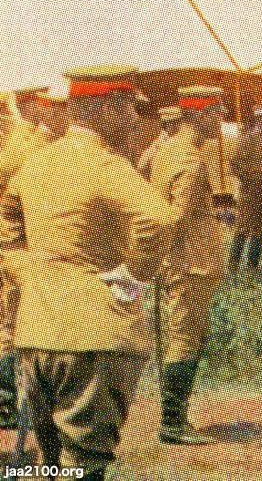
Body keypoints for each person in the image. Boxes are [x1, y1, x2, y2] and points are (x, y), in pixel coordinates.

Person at [0, 66, 177, 480]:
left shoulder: (37, 163)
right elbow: (160, 220)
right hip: (94, 336)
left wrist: (28, 273)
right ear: (107, 107)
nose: (136, 118)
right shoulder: (105, 164)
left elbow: (6, 224)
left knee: (49, 463)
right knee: (84, 465)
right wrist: (134, 278)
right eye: (131, 107)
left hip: (35, 334)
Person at [149, 85, 228, 444]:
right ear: (198, 115)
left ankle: (175, 417)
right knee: (185, 338)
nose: (221, 118)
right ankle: (172, 422)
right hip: (189, 262)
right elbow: (175, 217)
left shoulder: (168, 151)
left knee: (180, 335)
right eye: (215, 111)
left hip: (179, 261)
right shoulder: (190, 160)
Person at [0, 86, 66, 429]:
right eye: (46, 106)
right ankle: (9, 401)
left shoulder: (20, 141)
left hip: (14, 242)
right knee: (14, 321)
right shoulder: (28, 147)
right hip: (18, 244)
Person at [228, 107, 262, 270]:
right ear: (259, 120)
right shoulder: (248, 139)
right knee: (242, 228)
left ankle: (252, 266)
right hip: (250, 193)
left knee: (260, 230)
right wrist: (250, 179)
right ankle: (233, 266)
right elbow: (235, 164)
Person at [137, 106, 182, 179]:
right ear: (165, 124)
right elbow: (141, 166)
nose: (176, 126)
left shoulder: (181, 139)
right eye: (172, 123)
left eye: (177, 122)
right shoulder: (159, 144)